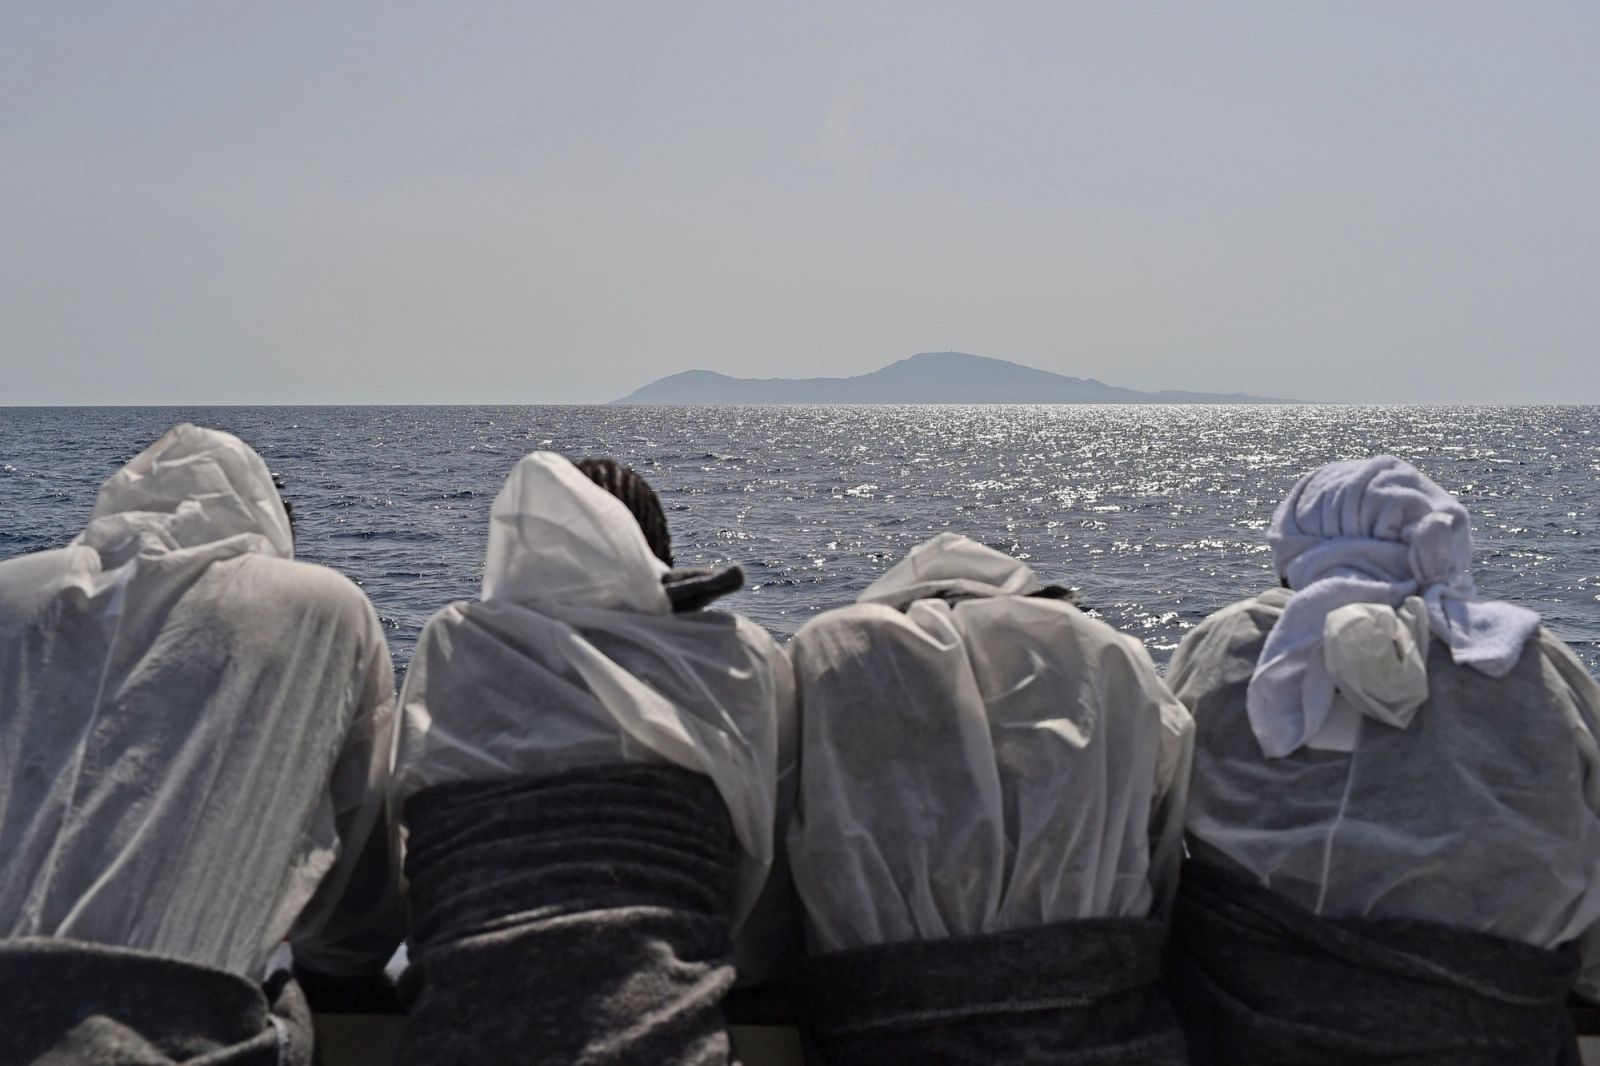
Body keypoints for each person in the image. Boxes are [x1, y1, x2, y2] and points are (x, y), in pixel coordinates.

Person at [1165, 455, 1600, 1065]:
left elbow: (1153, 828)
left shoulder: (1230, 649)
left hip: (1246, 1028)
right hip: (1493, 1034)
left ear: (1293, 552)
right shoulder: (1530, 663)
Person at [0, 423, 405, 1066]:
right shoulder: (324, 608)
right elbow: (356, 891)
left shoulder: (12, 593)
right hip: (186, 1031)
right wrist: (341, 963)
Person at [389, 452, 793, 1066]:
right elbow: (762, 876)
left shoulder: (456, 643)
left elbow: (410, 846)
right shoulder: (732, 657)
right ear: (657, 557)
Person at [786, 532, 1195, 1064]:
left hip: (883, 1028)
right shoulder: (1107, 657)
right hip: (1100, 1021)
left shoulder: (829, 660)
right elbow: (1165, 848)